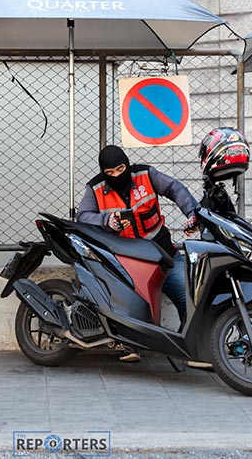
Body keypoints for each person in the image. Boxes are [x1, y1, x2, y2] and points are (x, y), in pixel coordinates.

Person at [76, 145, 198, 362]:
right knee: (130, 305)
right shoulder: (95, 188)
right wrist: (107, 221)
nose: (116, 175)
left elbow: (175, 188)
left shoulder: (146, 174)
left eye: (120, 169)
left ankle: (192, 348)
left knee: (187, 297)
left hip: (162, 255)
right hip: (127, 261)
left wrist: (192, 214)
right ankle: (129, 346)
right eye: (110, 172)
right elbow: (83, 215)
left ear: (127, 165)